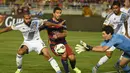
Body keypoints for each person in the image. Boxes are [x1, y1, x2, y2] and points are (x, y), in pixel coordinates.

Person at [88, 1, 129, 73]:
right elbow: (104, 26)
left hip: (119, 37)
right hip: (111, 37)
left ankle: (119, 64)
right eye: (113, 8)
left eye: (116, 8)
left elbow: (125, 22)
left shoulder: (124, 15)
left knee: (125, 50)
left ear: (119, 8)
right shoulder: (110, 15)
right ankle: (97, 66)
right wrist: (109, 27)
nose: (115, 10)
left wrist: (126, 32)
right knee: (108, 54)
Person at [39, 7, 81, 73]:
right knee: (64, 54)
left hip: (63, 42)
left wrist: (59, 35)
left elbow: (65, 33)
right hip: (54, 44)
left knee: (72, 58)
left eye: (60, 13)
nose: (59, 14)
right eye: (57, 13)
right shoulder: (49, 22)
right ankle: (67, 72)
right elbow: (40, 28)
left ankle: (74, 67)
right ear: (53, 14)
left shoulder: (62, 22)